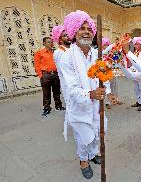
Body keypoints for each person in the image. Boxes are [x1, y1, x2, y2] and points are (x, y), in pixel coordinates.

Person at [60, 10, 118, 179]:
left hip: (97, 104)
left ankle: (93, 155)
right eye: (81, 28)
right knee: (84, 136)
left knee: (98, 131)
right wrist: (91, 94)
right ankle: (83, 160)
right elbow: (71, 88)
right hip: (80, 105)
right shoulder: (67, 57)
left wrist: (108, 93)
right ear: (74, 32)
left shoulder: (95, 54)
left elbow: (102, 76)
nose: (86, 31)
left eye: (89, 29)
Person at [34, 37, 65, 117]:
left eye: (51, 42)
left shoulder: (55, 52)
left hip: (55, 74)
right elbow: (37, 66)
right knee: (46, 93)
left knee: (57, 92)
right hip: (46, 75)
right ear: (44, 43)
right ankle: (47, 108)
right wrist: (41, 76)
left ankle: (58, 106)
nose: (51, 43)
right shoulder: (39, 53)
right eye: (49, 42)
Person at [51, 25, 72, 100]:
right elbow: (63, 71)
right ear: (60, 40)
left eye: (68, 34)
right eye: (65, 36)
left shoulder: (73, 49)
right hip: (68, 84)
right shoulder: (58, 53)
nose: (68, 37)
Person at [129, 37, 141, 111]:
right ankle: (138, 101)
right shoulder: (135, 52)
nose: (136, 46)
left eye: (137, 44)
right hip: (134, 73)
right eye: (135, 44)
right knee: (136, 88)